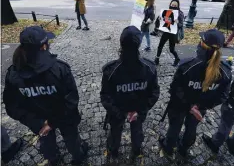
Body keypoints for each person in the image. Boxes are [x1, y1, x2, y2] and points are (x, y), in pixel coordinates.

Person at [3, 26, 88, 166]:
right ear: (43, 46)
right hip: (64, 118)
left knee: (47, 141)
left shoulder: (13, 74)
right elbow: (71, 101)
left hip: (40, 121)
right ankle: (77, 157)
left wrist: (40, 123)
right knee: (72, 139)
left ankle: (53, 160)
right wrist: (52, 122)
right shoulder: (60, 69)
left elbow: (12, 107)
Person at [159, 29, 232, 163]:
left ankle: (169, 147)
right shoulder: (225, 72)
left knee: (174, 127)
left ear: (202, 45)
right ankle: (184, 148)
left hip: (180, 105)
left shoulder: (187, 66)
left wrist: (190, 105)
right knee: (191, 128)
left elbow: (175, 89)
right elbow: (223, 95)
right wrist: (200, 106)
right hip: (199, 109)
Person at [100, 26, 160, 163]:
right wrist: (140, 110)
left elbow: (105, 96)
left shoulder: (111, 70)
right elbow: (154, 93)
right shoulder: (149, 68)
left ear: (121, 44)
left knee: (115, 132)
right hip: (137, 110)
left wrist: (120, 113)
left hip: (118, 111)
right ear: (139, 44)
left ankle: (113, 152)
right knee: (137, 131)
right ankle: (136, 151)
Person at [154, 0, 184, 66]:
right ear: (170, 4)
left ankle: (177, 58)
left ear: (178, 6)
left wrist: (178, 22)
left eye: (175, 5)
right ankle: (157, 59)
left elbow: (181, 25)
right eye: (172, 4)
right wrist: (160, 19)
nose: (173, 6)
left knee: (171, 49)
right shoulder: (167, 11)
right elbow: (163, 20)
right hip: (166, 31)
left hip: (173, 34)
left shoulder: (180, 13)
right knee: (160, 46)